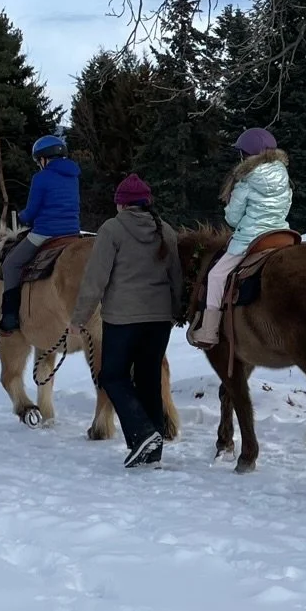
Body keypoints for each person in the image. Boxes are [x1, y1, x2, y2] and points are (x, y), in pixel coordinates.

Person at [71, 175, 186, 469]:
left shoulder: (112, 229)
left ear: (121, 204)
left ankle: (143, 432)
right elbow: (176, 279)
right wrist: (175, 312)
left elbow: (96, 279)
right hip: (159, 320)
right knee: (148, 380)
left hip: (122, 319)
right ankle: (151, 452)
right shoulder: (167, 231)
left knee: (112, 376)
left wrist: (80, 317)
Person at [190, 127, 292, 347]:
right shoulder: (284, 177)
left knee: (216, 275)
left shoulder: (245, 181)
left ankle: (208, 331)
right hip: (282, 234)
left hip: (252, 239)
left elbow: (234, 219)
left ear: (246, 155)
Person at [0, 133, 83, 334]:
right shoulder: (74, 176)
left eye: (39, 161)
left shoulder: (41, 177)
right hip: (72, 233)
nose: (39, 165)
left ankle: (10, 318)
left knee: (11, 264)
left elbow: (33, 210)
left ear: (44, 159)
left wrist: (22, 216)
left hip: (47, 233)